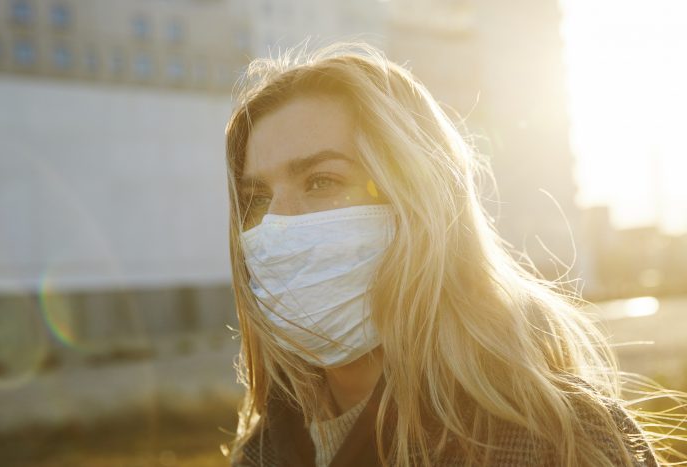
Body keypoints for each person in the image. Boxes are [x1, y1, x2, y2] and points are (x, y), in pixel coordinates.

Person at [222, 42, 670, 466]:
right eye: (257, 199)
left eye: (321, 181)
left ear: (418, 199)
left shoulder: (557, 439)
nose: (276, 225)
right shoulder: (259, 452)